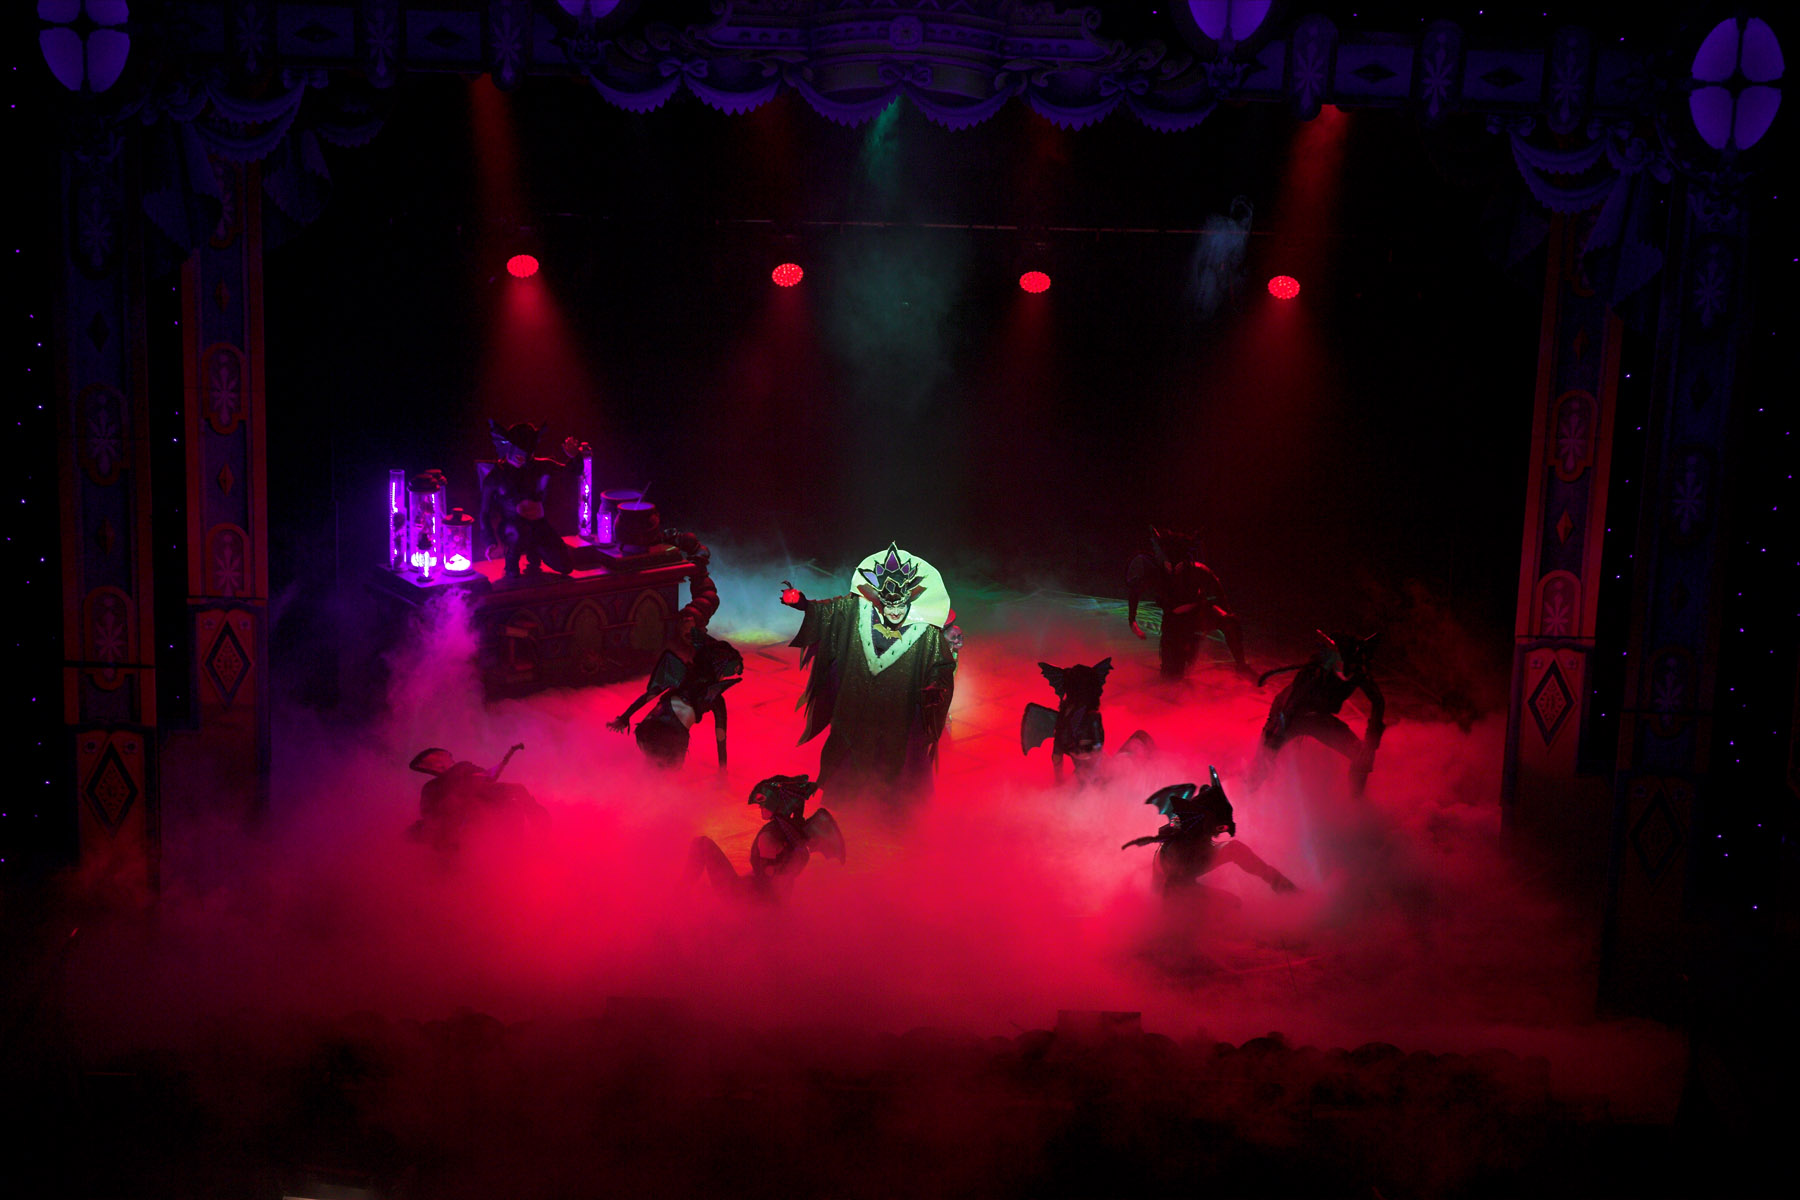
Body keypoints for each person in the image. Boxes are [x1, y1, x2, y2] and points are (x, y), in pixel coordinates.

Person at [779, 542, 960, 801]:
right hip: (856, 708)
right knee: (848, 759)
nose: (894, 612)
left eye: (901, 605)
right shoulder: (857, 611)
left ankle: (895, 812)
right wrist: (803, 603)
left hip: (898, 715)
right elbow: (829, 612)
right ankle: (845, 803)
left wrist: (935, 686)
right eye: (888, 604)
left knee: (899, 765)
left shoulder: (925, 631)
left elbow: (941, 663)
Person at [1122, 771, 1296, 897]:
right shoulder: (1183, 833)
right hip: (1176, 886)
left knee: (1234, 849)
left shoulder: (1196, 828)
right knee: (1232, 903)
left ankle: (1280, 884)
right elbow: (1171, 880)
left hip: (1185, 870)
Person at [1252, 631, 1385, 794]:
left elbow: (1378, 702)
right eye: (1348, 665)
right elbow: (1290, 703)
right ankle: (1249, 790)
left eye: (1355, 667)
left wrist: (1371, 744)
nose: (1351, 671)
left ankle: (1357, 799)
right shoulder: (1316, 670)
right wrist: (1276, 737)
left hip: (1320, 718)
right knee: (1264, 761)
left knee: (1361, 756)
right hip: (1291, 715)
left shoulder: (1359, 671)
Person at [688, 774, 845, 902]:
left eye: (764, 803)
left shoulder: (770, 836)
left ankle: (682, 893)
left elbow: (772, 887)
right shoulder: (793, 833)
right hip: (754, 897)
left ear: (776, 803)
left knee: (701, 843)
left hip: (743, 899)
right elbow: (776, 879)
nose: (760, 807)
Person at [1126, 526, 1251, 680]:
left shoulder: (1198, 571)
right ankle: (1185, 652)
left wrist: (1228, 615)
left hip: (1199, 615)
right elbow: (1135, 591)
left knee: (1230, 622)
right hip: (1174, 623)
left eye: (1177, 564)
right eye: (1168, 564)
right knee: (1171, 677)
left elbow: (1218, 590)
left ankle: (1241, 666)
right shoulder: (1156, 574)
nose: (1173, 569)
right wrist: (1132, 620)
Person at [608, 628, 743, 769]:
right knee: (665, 771)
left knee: (653, 764)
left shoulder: (682, 675)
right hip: (670, 741)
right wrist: (722, 772)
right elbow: (720, 736)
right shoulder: (715, 698)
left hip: (645, 733)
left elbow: (649, 696)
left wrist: (624, 718)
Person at [477, 419, 590, 579]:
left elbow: (572, 472)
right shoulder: (496, 476)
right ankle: (512, 559)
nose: (521, 457)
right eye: (518, 452)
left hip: (538, 526)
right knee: (519, 533)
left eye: (526, 453)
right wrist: (490, 540)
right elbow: (484, 513)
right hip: (512, 528)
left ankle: (534, 551)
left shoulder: (541, 467)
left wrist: (575, 456)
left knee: (565, 565)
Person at [406, 742, 546, 850]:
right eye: (441, 759)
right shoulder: (432, 787)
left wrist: (508, 757)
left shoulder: (463, 770)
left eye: (446, 757)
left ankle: (535, 837)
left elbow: (488, 777)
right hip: (454, 830)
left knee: (516, 796)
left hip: (481, 814)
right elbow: (428, 812)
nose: (449, 760)